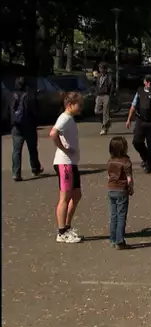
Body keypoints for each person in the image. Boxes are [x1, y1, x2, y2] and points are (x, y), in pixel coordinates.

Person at [50, 92, 84, 243]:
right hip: (64, 163)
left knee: (76, 195)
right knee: (64, 198)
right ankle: (61, 231)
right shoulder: (64, 118)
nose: (81, 107)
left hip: (72, 163)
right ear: (70, 105)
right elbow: (53, 133)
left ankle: (68, 227)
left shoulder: (69, 119)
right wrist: (63, 149)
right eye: (79, 104)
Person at [10, 77, 43, 181]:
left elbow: (7, 109)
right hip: (29, 125)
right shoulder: (30, 96)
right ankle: (35, 168)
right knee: (32, 148)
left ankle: (16, 173)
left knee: (16, 150)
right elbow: (36, 110)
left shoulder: (11, 95)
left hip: (16, 126)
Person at [107, 136, 135, 250]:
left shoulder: (110, 161)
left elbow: (108, 176)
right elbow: (129, 178)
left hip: (111, 189)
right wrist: (131, 188)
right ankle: (120, 241)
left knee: (113, 215)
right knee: (121, 216)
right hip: (121, 190)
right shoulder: (126, 162)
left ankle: (113, 239)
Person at [94, 62, 115, 135]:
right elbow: (96, 85)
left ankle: (104, 128)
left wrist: (110, 94)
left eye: (102, 68)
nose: (100, 70)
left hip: (106, 95)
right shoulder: (98, 76)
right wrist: (96, 93)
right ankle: (106, 122)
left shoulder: (109, 77)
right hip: (99, 95)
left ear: (105, 69)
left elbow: (112, 86)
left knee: (105, 112)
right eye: (100, 68)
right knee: (97, 111)